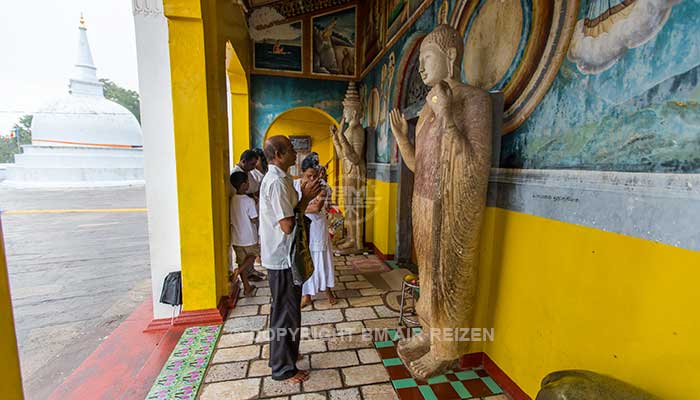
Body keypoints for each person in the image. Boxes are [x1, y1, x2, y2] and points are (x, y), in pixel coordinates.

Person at [259, 135, 320, 383]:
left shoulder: (281, 179)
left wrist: (303, 197)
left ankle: (286, 355)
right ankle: (283, 369)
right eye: (291, 149)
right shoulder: (276, 183)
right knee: (286, 313)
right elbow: (286, 226)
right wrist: (305, 199)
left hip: (284, 256)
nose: (296, 152)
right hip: (282, 258)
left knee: (288, 311)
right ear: (279, 155)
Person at [294, 155, 336, 309]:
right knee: (306, 258)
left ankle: (328, 290)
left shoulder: (323, 186)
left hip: (318, 227)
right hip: (302, 227)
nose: (312, 179)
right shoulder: (295, 185)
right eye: (308, 175)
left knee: (321, 259)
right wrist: (299, 208)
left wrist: (297, 208)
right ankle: (307, 295)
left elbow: (316, 207)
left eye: (314, 175)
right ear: (302, 173)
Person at [228, 171, 257, 296]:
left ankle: (247, 287)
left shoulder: (232, 199)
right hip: (249, 236)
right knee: (253, 256)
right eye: (247, 182)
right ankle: (238, 271)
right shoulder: (249, 201)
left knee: (242, 260)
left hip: (236, 237)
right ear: (244, 184)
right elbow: (254, 219)